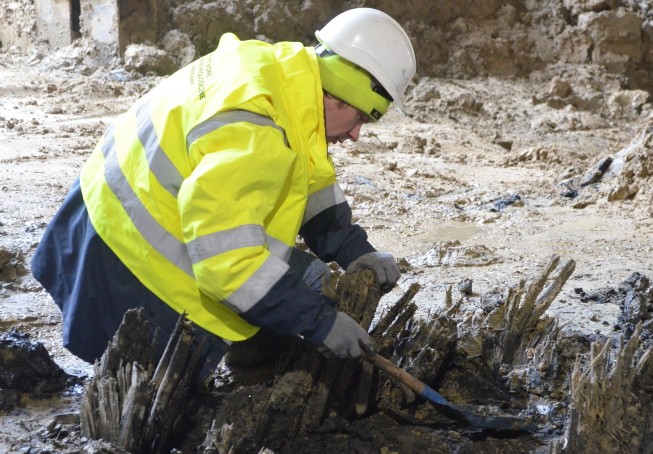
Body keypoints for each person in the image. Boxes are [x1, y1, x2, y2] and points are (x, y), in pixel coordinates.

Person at [31, 8, 416, 378]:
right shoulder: (257, 130)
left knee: (304, 282)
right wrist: (319, 322)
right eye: (362, 117)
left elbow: (308, 171)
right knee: (163, 415)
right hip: (130, 261)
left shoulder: (279, 77)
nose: (355, 134)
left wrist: (353, 248)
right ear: (340, 94)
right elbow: (225, 262)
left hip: (103, 206)